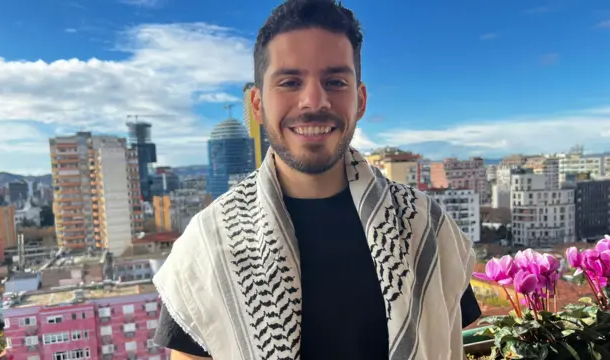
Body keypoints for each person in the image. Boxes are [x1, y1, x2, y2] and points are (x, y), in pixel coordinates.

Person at [152, 0, 479, 359]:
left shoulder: (424, 230)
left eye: (335, 81)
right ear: (257, 104)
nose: (313, 100)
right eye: (290, 82)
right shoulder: (208, 248)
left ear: (361, 99)